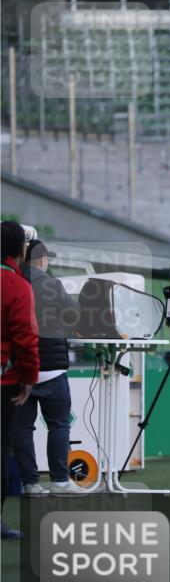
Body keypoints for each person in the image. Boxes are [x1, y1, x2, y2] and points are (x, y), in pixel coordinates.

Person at [14, 240, 83, 495]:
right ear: (43, 260)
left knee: (23, 428)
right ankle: (60, 481)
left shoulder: (12, 282)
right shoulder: (52, 284)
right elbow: (75, 314)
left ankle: (30, 483)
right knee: (58, 425)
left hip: (20, 369)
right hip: (52, 368)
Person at [1, 221, 39, 540]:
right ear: (20, 249)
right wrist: (28, 379)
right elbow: (26, 339)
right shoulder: (16, 285)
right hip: (5, 384)